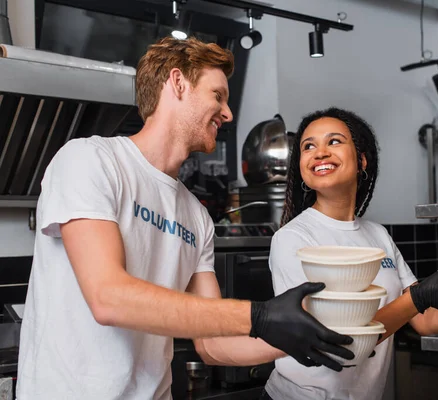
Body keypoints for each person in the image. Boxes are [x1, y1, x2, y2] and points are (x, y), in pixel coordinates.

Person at [16, 38, 355, 400]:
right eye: (218, 96)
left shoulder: (195, 215)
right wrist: (260, 316)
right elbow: (108, 297)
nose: (228, 114)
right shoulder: (91, 160)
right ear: (178, 83)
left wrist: (298, 336)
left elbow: (212, 345)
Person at [261, 107, 438, 400]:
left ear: (361, 160)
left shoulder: (378, 235)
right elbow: (330, 341)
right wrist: (418, 297)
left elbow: (425, 321)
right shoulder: (293, 238)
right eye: (309, 146)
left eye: (334, 141)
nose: (319, 152)